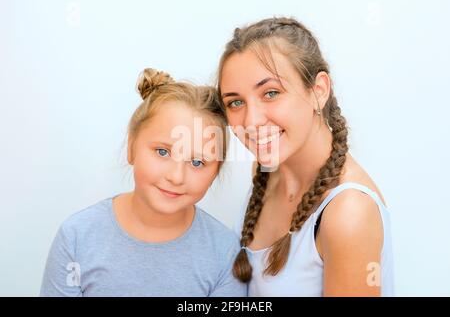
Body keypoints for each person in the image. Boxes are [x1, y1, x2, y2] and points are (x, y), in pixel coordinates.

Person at [217, 17, 394, 296]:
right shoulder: (266, 169)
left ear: (318, 91)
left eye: (271, 93)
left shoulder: (348, 213)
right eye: (235, 102)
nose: (251, 121)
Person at [40, 68, 247, 297]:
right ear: (131, 148)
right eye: (162, 151)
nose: (176, 176)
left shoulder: (224, 253)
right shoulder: (77, 237)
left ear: (215, 172)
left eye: (197, 162)